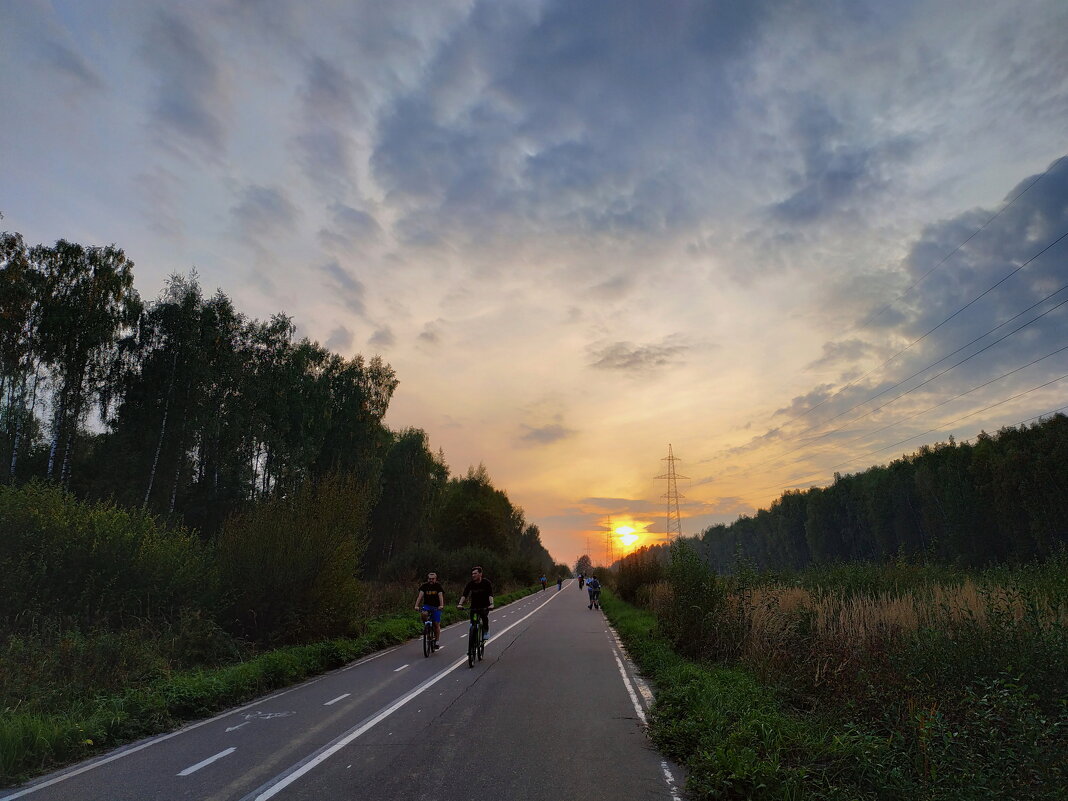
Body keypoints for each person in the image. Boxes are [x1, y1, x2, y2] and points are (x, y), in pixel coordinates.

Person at [457, 566, 494, 642]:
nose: (473, 575)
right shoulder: (470, 584)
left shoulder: (486, 583)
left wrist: (491, 604)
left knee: (484, 617)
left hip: (484, 606)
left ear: (480, 574)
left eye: (475, 573)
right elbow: (465, 594)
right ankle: (472, 645)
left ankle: (486, 631)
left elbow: (490, 594)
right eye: (472, 574)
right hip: (474, 606)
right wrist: (460, 604)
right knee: (473, 622)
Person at [414, 571, 445, 649]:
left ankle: (437, 641)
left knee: (436, 624)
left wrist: (441, 605)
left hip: (436, 607)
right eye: (429, 579)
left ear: (435, 579)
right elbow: (420, 596)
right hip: (427, 606)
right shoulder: (424, 586)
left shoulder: (438, 586)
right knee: (423, 614)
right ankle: (427, 627)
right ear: (428, 579)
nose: (431, 580)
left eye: (432, 579)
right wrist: (416, 606)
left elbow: (440, 596)